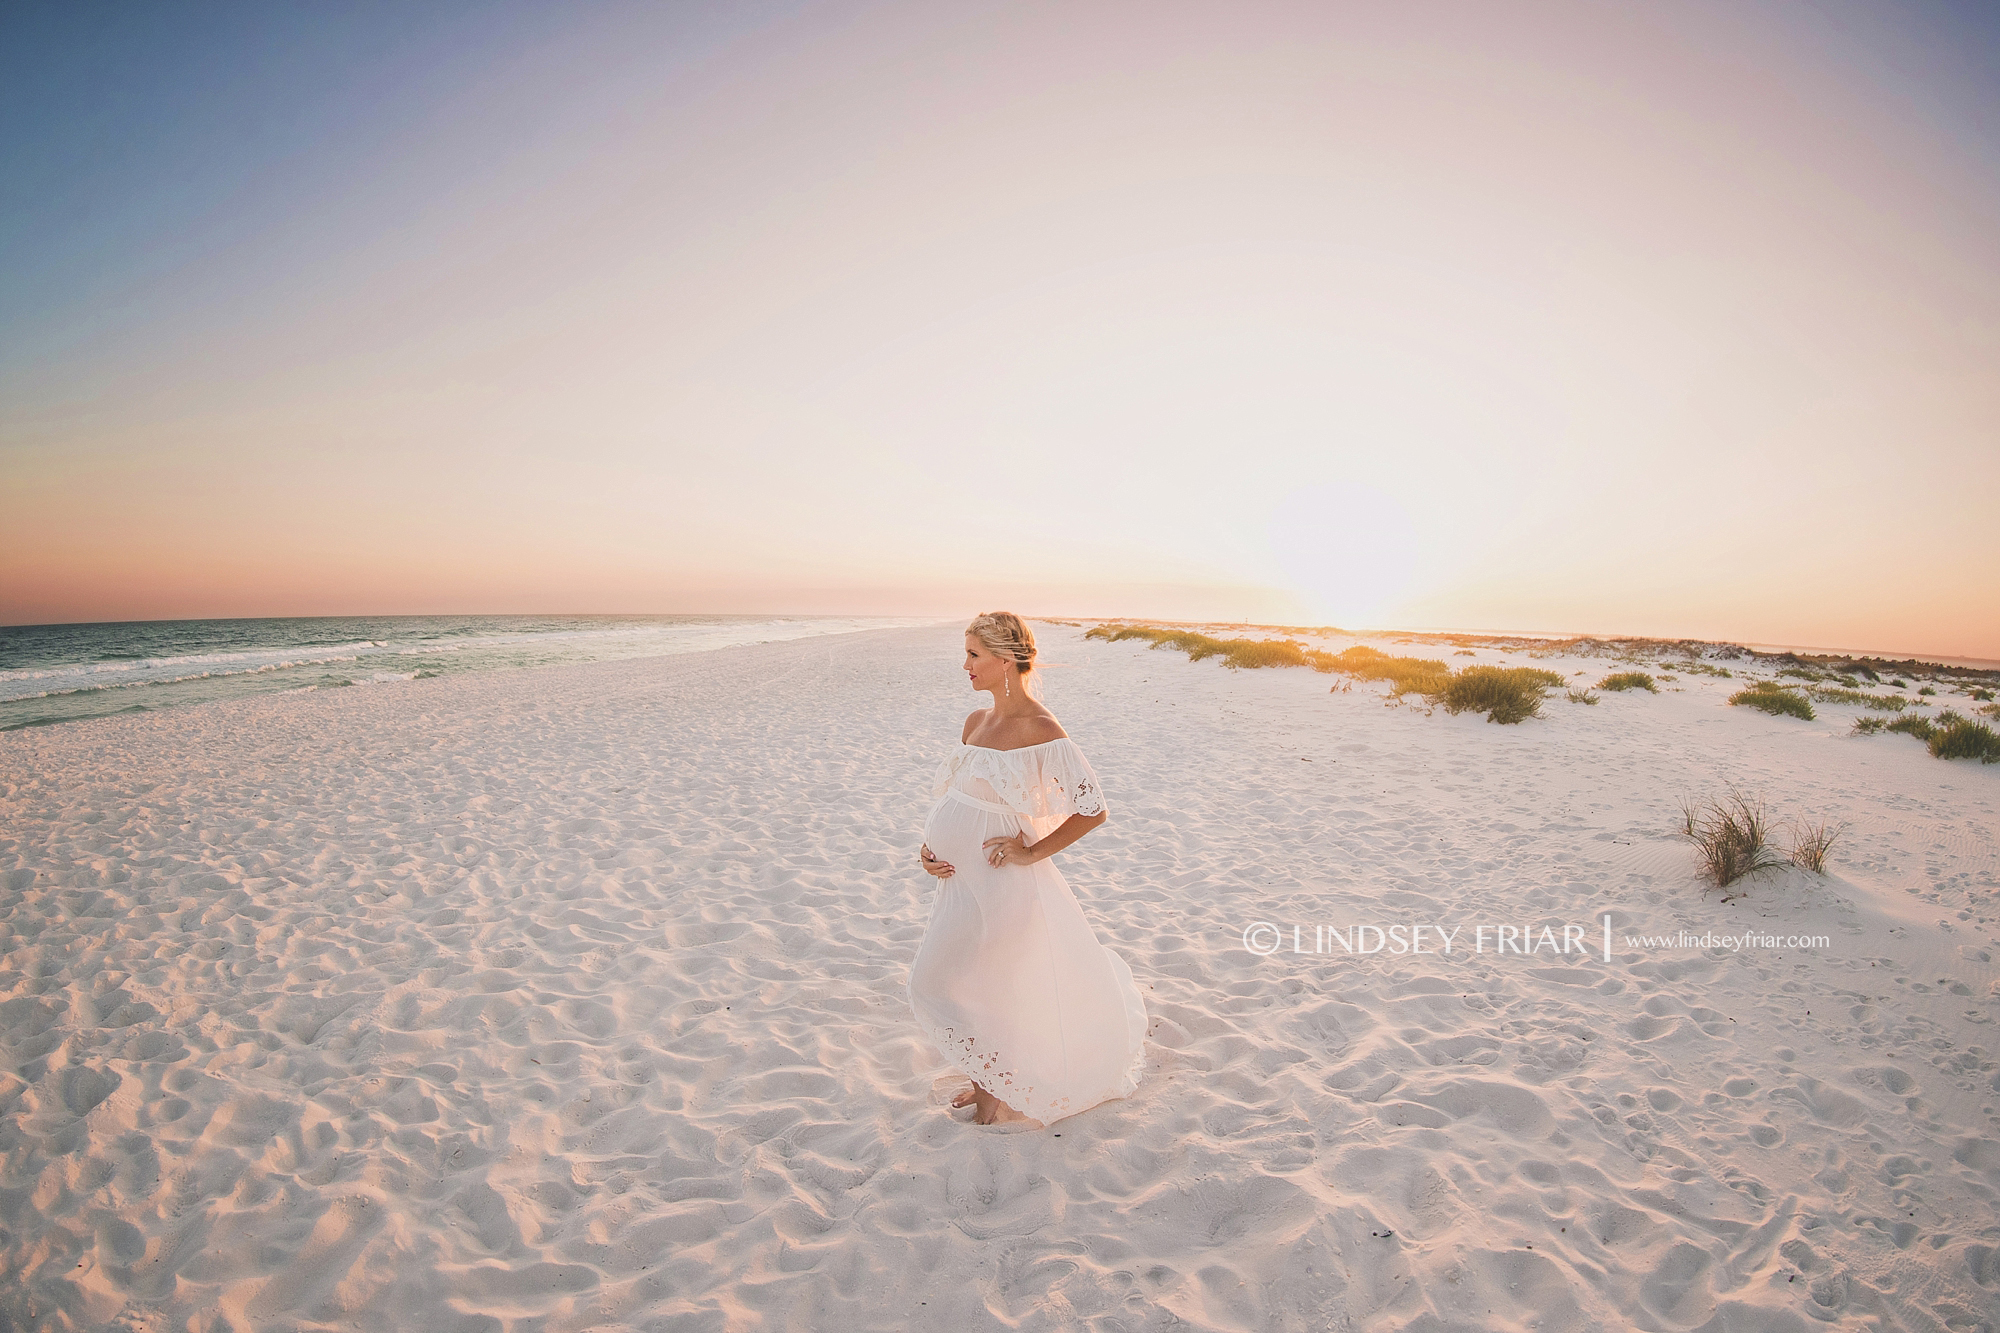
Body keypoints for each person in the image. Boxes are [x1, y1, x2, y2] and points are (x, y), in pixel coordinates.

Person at [907, 612, 1148, 1127]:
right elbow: (959, 799)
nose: (965, 665)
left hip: (1004, 884)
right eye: (966, 653)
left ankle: (992, 1089)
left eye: (974, 655)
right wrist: (928, 851)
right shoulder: (974, 722)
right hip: (957, 884)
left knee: (981, 986)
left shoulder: (1042, 729)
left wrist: (1031, 853)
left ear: (1006, 660)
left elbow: (1093, 808)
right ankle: (986, 1081)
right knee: (941, 980)